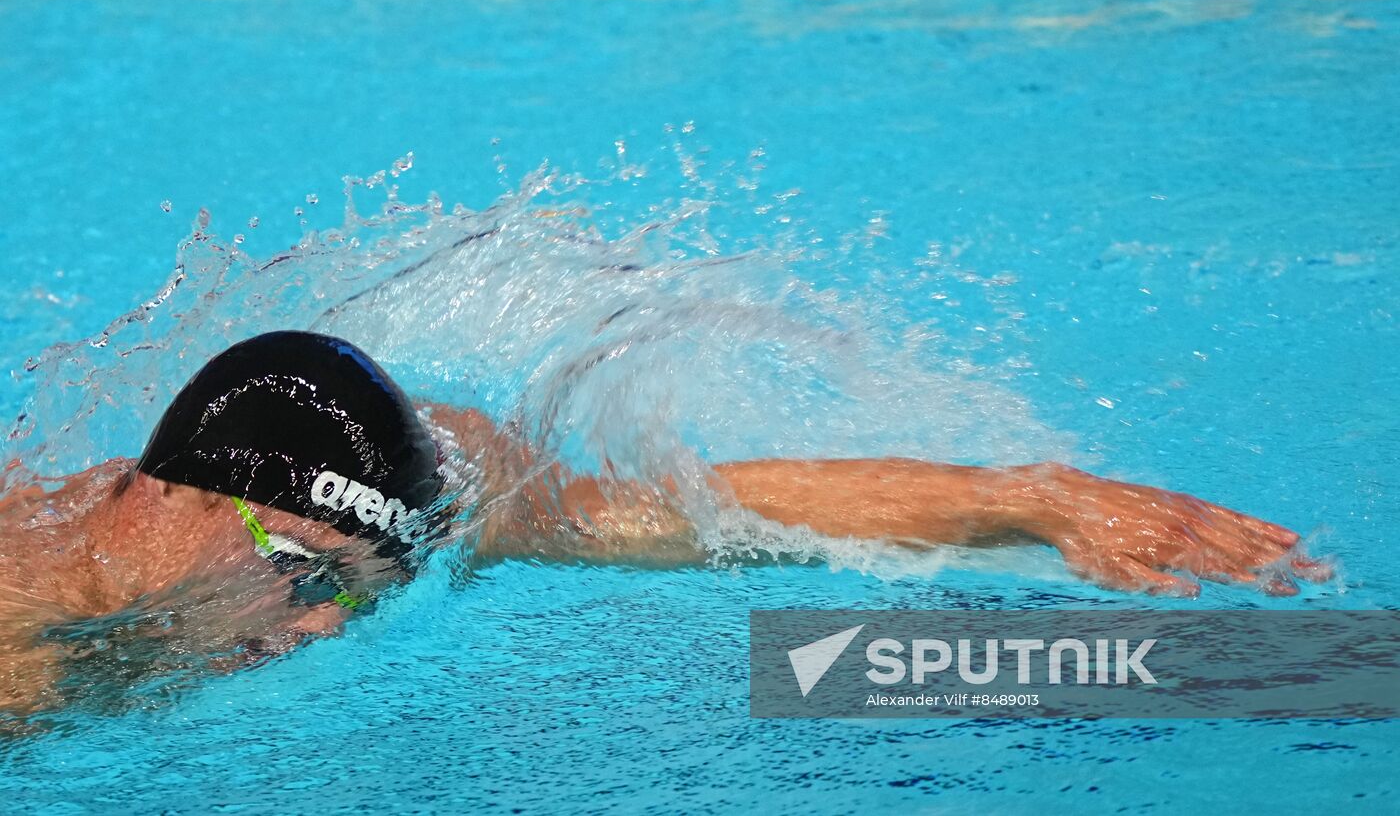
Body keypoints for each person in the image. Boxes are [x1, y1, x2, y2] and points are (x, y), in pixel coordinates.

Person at [0, 331, 1325, 715]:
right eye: (296, 565)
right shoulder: (23, 644)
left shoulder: (395, 500)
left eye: (360, 587)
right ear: (160, 489)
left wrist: (1024, 497)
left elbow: (672, 509)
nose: (311, 626)